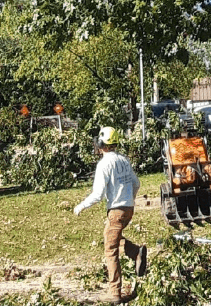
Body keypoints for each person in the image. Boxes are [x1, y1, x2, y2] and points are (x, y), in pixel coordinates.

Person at [74, 126, 148, 303]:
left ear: (100, 144)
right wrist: (129, 199)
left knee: (110, 249)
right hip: (128, 208)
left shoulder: (104, 164)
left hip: (116, 210)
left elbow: (98, 194)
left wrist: (81, 206)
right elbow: (136, 183)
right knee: (110, 237)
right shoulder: (123, 160)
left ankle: (115, 292)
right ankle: (136, 252)